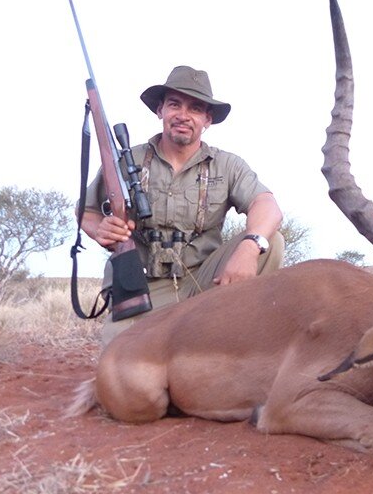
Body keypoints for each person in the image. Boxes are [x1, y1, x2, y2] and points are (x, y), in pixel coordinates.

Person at [80, 65, 284, 346]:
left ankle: (235, 331)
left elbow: (267, 205)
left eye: (195, 108)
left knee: (271, 241)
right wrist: (100, 229)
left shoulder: (228, 165)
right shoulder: (127, 162)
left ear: (207, 119)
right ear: (160, 110)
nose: (183, 116)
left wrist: (250, 247)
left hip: (205, 283)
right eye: (174, 104)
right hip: (141, 286)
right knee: (118, 376)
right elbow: (87, 211)